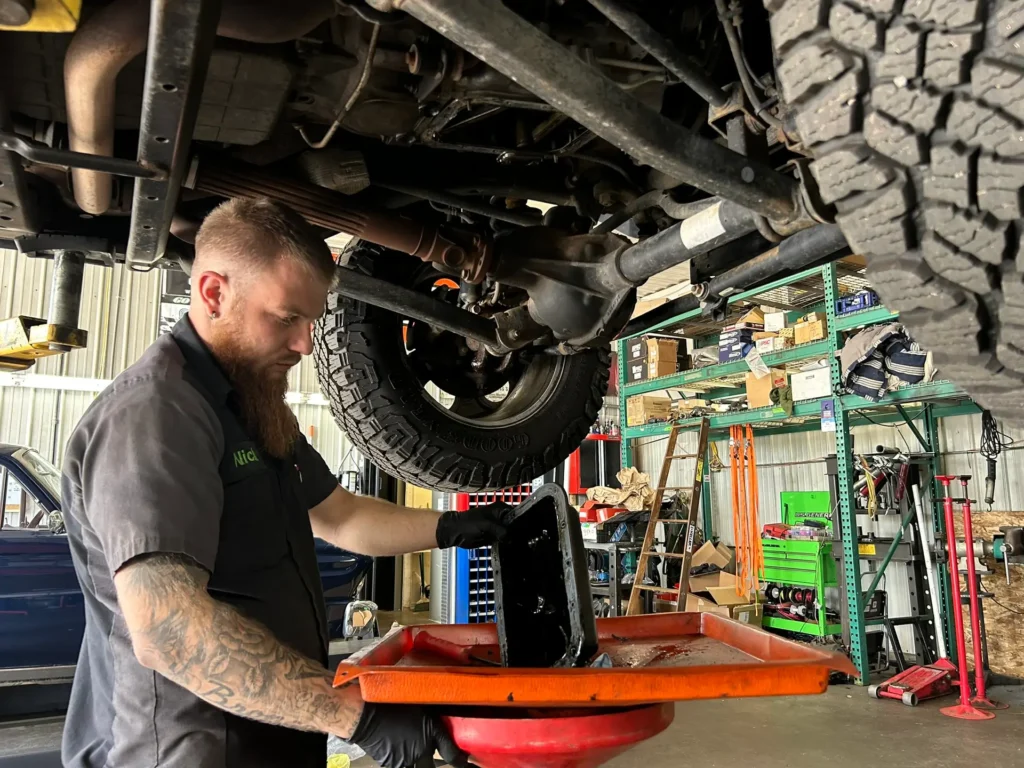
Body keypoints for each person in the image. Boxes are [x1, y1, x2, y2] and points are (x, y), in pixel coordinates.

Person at [60, 197, 510, 768]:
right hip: (187, 751)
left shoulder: (250, 402)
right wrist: (358, 718)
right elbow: (168, 630)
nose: (303, 344)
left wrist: (453, 528)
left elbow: (340, 516)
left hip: (271, 734)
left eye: (310, 321)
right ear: (214, 293)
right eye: (285, 318)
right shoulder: (157, 414)